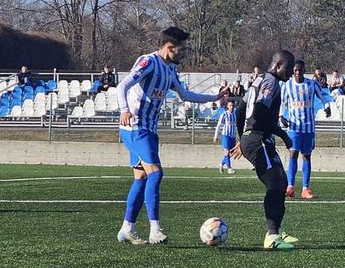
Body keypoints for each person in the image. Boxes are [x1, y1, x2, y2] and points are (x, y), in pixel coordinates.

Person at [116, 26, 222, 246]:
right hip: (136, 127)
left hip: (149, 130)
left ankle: (127, 228)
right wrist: (124, 109)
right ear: (170, 48)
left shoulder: (170, 71)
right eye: (182, 49)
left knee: (142, 177)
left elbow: (185, 95)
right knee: (155, 174)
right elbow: (123, 85)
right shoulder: (148, 62)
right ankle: (155, 229)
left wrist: (215, 97)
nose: (184, 53)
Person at [234, 49, 298, 249]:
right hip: (258, 138)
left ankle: (276, 231)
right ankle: (271, 236)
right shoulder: (270, 82)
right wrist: (285, 136)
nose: (290, 73)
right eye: (288, 68)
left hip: (254, 138)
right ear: (278, 65)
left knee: (282, 181)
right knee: (276, 185)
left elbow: (241, 110)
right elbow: (261, 113)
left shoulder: (258, 80)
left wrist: (241, 136)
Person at [280, 60, 326, 199]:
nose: (298, 73)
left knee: (306, 155)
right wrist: (281, 116)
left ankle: (305, 188)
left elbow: (322, 96)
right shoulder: (287, 85)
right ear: (293, 72)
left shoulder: (311, 84)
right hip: (294, 126)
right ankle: (290, 187)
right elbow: (282, 102)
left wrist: (327, 106)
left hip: (309, 127)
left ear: (304, 70)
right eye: (295, 70)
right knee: (293, 154)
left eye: (300, 70)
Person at [213, 98, 238, 173]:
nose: (232, 107)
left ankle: (221, 164)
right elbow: (219, 125)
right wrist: (216, 136)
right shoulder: (224, 114)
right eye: (230, 105)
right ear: (227, 106)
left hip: (232, 136)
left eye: (233, 105)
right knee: (226, 152)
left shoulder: (235, 114)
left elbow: (236, 126)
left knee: (231, 152)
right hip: (225, 135)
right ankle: (229, 168)